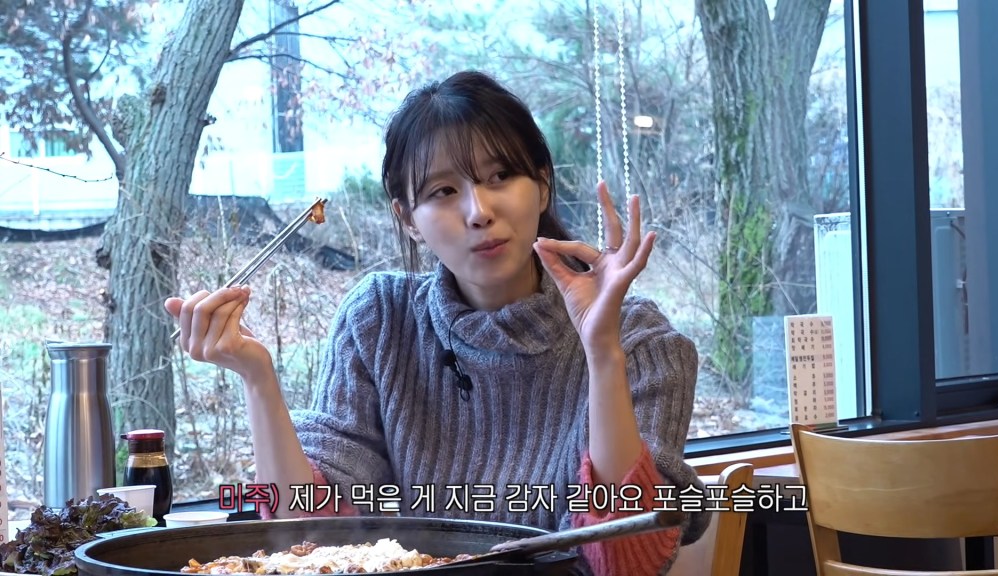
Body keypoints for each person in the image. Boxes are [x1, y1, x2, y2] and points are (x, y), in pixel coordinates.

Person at [165, 70, 710, 576]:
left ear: (542, 185)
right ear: (407, 219)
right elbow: (308, 533)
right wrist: (257, 378)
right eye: (443, 191)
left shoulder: (639, 341)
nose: (478, 211)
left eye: (501, 175)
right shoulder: (380, 320)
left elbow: (626, 561)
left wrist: (602, 351)